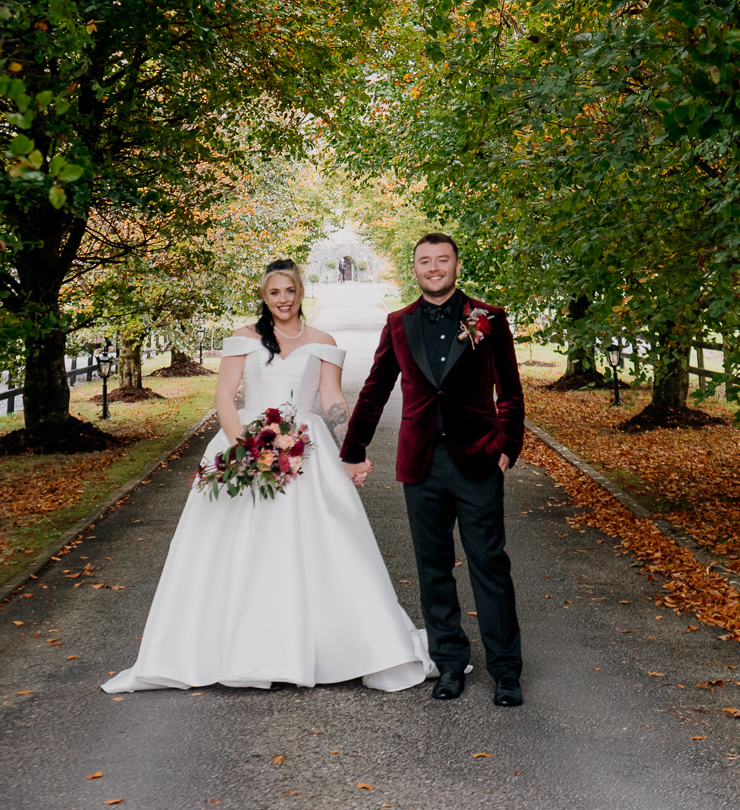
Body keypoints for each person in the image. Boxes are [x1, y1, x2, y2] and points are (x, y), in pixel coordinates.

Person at [103, 258, 432, 693]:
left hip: (307, 449)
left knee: (321, 543)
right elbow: (224, 396)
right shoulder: (243, 340)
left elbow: (332, 400)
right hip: (246, 441)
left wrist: (352, 451)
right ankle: (241, 649)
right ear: (264, 295)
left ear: (300, 292)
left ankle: (330, 646)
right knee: (236, 545)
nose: (283, 299)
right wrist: (247, 447)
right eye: (274, 292)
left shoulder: (323, 342)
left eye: (290, 291)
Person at [338, 233, 526, 706]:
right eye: (426, 261)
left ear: (457, 265)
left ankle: (506, 670)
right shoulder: (398, 323)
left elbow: (510, 388)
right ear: (415, 268)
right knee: (432, 567)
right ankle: (449, 663)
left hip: (478, 458)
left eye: (443, 260)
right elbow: (376, 389)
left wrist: (508, 445)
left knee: (490, 564)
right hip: (421, 462)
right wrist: (354, 448)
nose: (435, 268)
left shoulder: (488, 318)